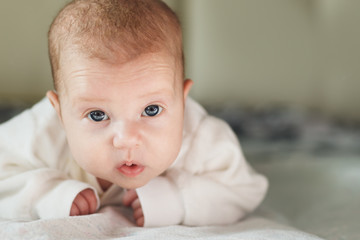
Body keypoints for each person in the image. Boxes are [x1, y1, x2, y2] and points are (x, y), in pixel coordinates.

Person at [0, 0, 267, 227]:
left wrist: (177, 197)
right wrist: (47, 194)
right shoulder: (41, 131)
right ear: (59, 113)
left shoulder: (201, 137)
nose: (127, 139)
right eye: (97, 115)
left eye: (151, 110)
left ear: (182, 102)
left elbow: (244, 189)